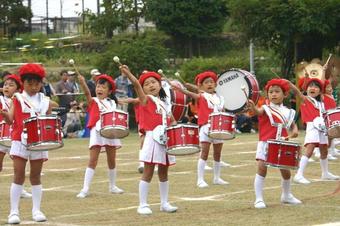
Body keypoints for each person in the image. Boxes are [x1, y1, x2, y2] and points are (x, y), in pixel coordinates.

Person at [1, 64, 58, 224]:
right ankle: (13, 212)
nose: (34, 87)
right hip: (20, 140)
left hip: (39, 142)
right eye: (29, 83)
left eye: (37, 83)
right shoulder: (17, 98)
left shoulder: (45, 101)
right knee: (18, 175)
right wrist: (5, 115)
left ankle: (36, 210)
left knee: (35, 176)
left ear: (41, 83)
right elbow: (11, 120)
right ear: (23, 83)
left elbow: (48, 122)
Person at [120, 66, 178, 215]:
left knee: (164, 172)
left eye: (154, 82)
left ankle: (164, 203)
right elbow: (136, 84)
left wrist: (177, 129)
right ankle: (142, 204)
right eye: (147, 84)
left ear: (160, 85)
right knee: (148, 171)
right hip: (152, 138)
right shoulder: (145, 99)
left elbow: (172, 121)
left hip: (165, 139)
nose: (151, 85)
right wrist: (129, 74)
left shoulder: (165, 103)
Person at [247, 78, 301, 209]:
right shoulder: (265, 108)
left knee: (286, 171)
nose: (274, 94)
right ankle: (259, 199)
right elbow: (257, 112)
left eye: (277, 91)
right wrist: (253, 107)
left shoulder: (288, 111)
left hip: (281, 143)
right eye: (271, 92)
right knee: (261, 168)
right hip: (265, 143)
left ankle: (286, 195)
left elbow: (293, 126)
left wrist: (294, 131)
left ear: (285, 94)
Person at [174, 71, 228, 188]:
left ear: (215, 84)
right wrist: (181, 89)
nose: (209, 84)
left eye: (212, 82)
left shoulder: (221, 98)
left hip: (219, 128)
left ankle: (217, 178)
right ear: (201, 86)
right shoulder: (201, 96)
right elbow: (190, 93)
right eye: (206, 82)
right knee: (204, 153)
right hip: (206, 127)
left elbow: (223, 112)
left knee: (218, 154)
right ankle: (200, 179)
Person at [76, 73, 124, 198]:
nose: (99, 89)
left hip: (110, 132)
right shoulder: (93, 101)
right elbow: (87, 93)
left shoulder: (112, 103)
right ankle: (85, 188)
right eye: (98, 86)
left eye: (103, 87)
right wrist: (83, 83)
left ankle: (112, 186)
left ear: (109, 91)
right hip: (97, 132)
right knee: (93, 160)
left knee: (112, 160)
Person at [292, 78, 340, 184]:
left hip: (321, 126)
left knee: (324, 150)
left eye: (316, 87)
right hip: (312, 127)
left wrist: (322, 72)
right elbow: (297, 92)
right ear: (306, 89)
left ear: (320, 91)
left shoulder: (321, 102)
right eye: (310, 86)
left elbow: (322, 84)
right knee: (309, 150)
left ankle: (325, 173)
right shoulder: (306, 99)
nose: (312, 88)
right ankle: (298, 174)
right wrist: (289, 84)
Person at [0, 74, 32, 199]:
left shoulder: (20, 101)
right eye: (5, 85)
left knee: (18, 166)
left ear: (19, 89)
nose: (7, 87)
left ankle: (21, 189)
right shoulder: (1, 100)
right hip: (1, 137)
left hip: (14, 138)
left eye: (11, 85)